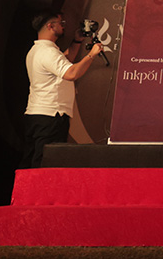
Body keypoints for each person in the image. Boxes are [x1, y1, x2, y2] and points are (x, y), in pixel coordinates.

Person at [20, 11, 103, 169]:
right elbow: (71, 73)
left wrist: (77, 41)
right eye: (61, 24)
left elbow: (64, 62)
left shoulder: (39, 50)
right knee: (45, 163)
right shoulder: (48, 52)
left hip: (38, 114)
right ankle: (40, 193)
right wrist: (91, 55)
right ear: (50, 26)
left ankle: (27, 192)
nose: (64, 27)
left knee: (32, 160)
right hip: (51, 115)